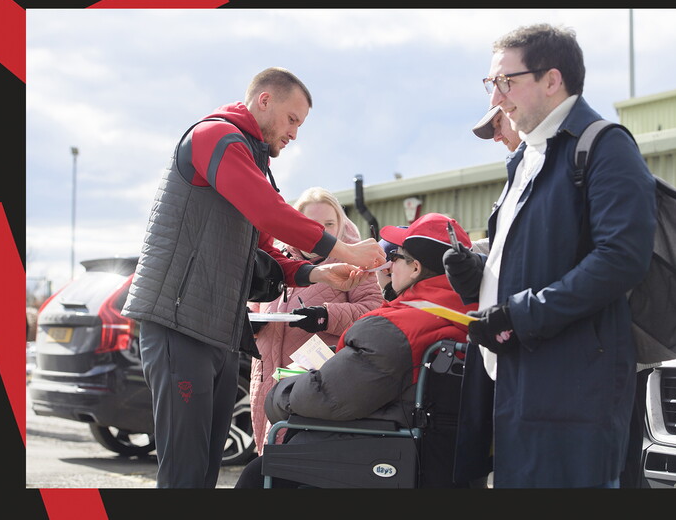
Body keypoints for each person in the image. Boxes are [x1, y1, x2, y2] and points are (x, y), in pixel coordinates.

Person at [121, 67, 385, 488]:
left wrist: (319, 272)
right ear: (264, 101)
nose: (295, 133)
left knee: (206, 470)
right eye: (292, 119)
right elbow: (271, 215)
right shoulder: (215, 137)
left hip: (221, 333)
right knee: (184, 474)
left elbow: (266, 247)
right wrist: (346, 249)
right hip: (178, 325)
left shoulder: (250, 162)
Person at [443, 23, 657, 488]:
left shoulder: (605, 146)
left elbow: (621, 259)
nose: (497, 96)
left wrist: (519, 316)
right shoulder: (527, 156)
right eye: (491, 84)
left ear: (552, 80)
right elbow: (533, 261)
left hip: (569, 390)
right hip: (515, 379)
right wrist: (476, 276)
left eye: (506, 81)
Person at [234, 213, 480, 489]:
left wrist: (279, 394)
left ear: (415, 268)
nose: (389, 265)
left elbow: (326, 397)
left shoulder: (396, 327)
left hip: (386, 456)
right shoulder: (477, 320)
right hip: (445, 461)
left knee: (258, 473)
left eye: (397, 256)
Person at [248, 186, 384, 455]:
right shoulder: (274, 262)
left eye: (329, 224)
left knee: (306, 463)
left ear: (341, 226)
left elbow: (374, 311)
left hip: (318, 383)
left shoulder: (356, 264)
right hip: (265, 379)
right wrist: (250, 322)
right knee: (269, 460)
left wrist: (325, 316)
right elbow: (253, 304)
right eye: (311, 224)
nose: (320, 231)